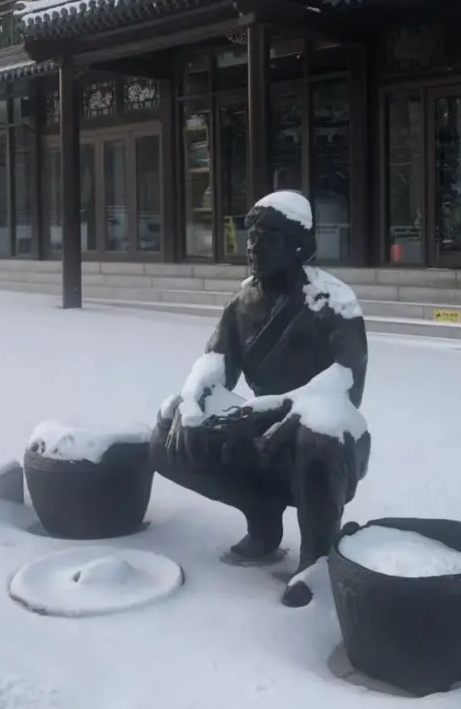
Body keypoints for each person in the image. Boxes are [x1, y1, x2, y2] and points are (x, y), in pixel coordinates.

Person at [153, 190, 370, 607]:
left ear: (299, 247)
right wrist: (191, 401)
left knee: (317, 435)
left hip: (326, 438)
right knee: (166, 435)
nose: (253, 247)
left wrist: (273, 408)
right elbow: (215, 363)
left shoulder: (333, 302)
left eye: (268, 237)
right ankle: (263, 516)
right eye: (250, 236)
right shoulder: (241, 303)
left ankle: (317, 559)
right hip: (259, 429)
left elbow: (347, 384)